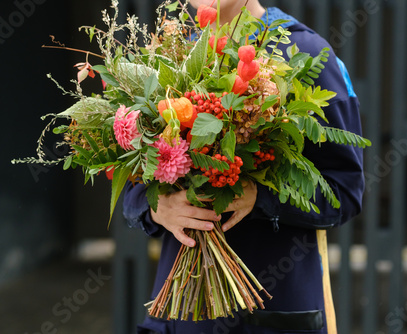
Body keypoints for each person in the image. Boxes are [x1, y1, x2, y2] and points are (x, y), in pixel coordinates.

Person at [123, 0, 364, 333]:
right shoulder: (167, 55)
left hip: (274, 309)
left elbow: (345, 191)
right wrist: (156, 207)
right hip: (182, 315)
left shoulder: (305, 51)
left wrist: (261, 198)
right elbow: (132, 182)